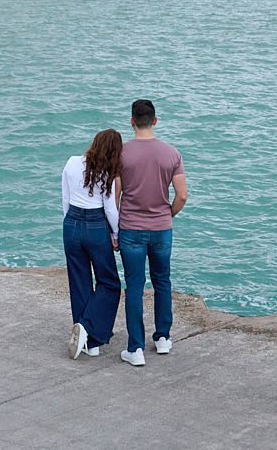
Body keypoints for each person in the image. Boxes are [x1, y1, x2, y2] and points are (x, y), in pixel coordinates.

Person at [116, 99, 187, 366]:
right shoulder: (171, 153)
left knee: (134, 286)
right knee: (162, 282)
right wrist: (167, 214)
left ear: (132, 121)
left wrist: (115, 228)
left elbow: (115, 195)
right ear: (155, 120)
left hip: (131, 229)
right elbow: (182, 195)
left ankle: (135, 349)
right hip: (161, 230)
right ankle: (163, 339)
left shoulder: (121, 154)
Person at [62, 129, 122, 359]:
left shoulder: (71, 162)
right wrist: (115, 234)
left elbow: (65, 199)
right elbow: (110, 208)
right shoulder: (107, 172)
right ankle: (89, 330)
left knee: (79, 281)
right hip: (96, 225)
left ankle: (88, 342)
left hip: (72, 224)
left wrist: (71, 225)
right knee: (109, 282)